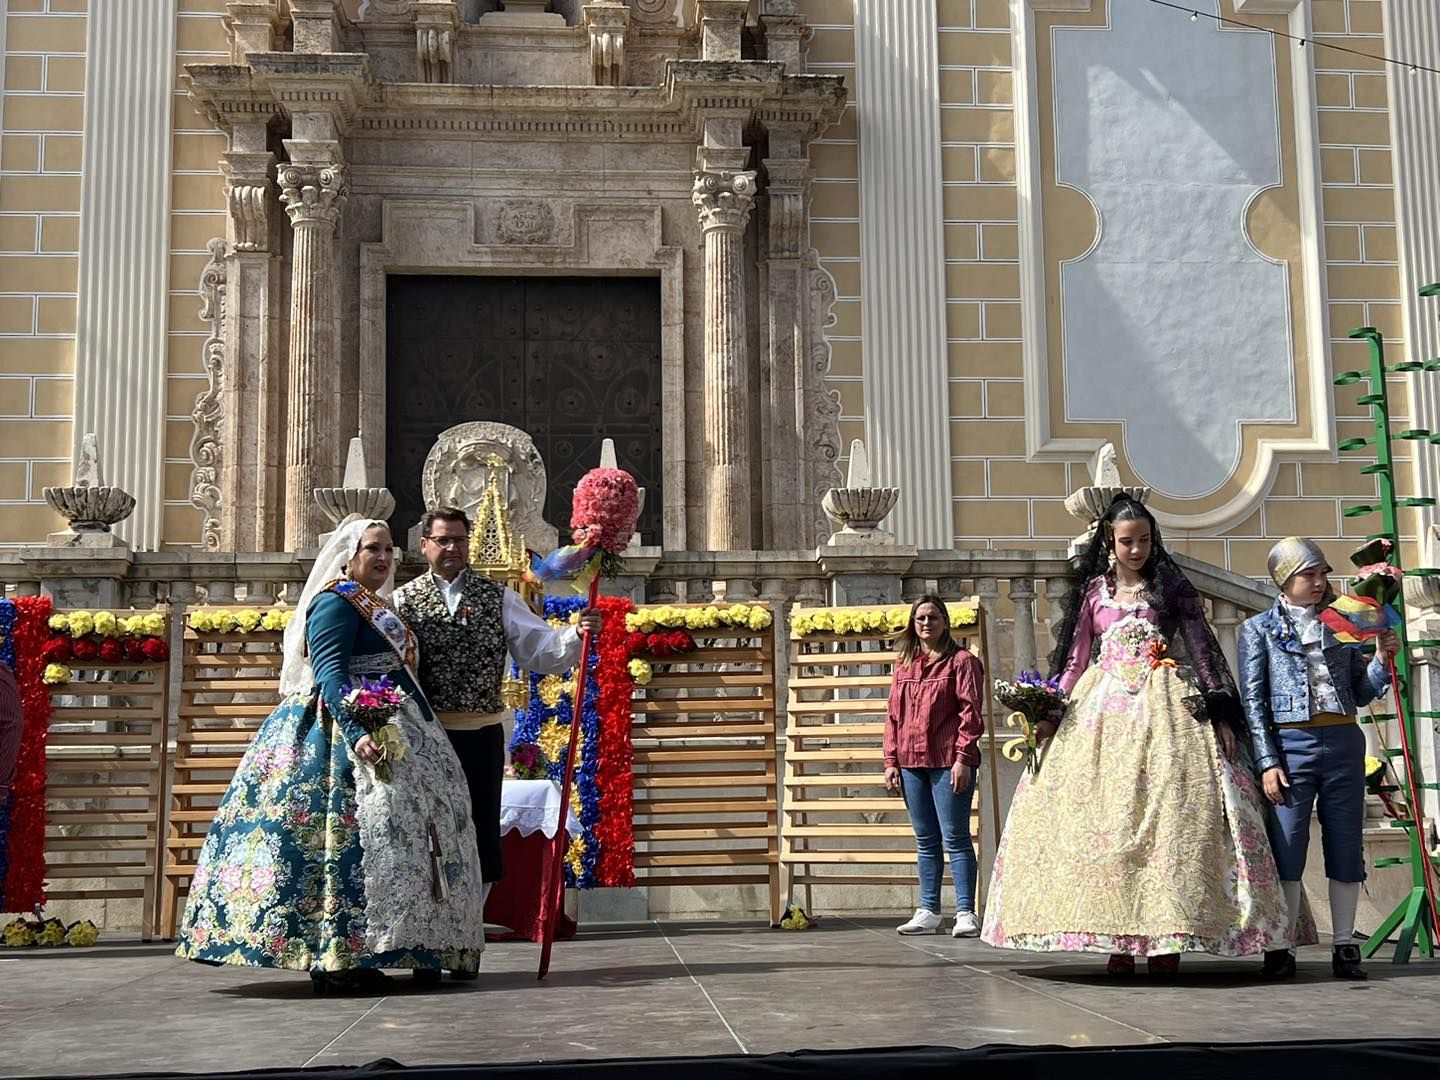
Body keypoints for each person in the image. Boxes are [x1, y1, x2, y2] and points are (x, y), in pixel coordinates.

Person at [981, 495, 1303, 975]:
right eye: (1127, 542)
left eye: (1145, 541)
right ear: (1110, 542)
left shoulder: (1172, 589)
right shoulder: (1094, 593)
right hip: (1099, 712)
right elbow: (1073, 661)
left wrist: (1219, 713)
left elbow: (1203, 651)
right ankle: (1119, 940)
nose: (1137, 550)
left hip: (1166, 707)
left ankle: (1166, 939)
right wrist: (1048, 714)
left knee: (1173, 821)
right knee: (1104, 820)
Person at [175, 518, 487, 992]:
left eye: (388, 550)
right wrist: (357, 732)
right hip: (339, 735)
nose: (382, 559)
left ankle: (423, 943)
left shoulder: (377, 607)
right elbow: (330, 674)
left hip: (399, 729)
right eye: (372, 550)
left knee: (412, 837)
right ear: (349, 554)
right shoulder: (334, 603)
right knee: (345, 841)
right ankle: (338, 957)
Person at [394, 507, 600, 902]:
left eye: (459, 539)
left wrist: (575, 633)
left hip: (481, 734)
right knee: (426, 828)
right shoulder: (402, 601)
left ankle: (468, 934)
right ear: (424, 545)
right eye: (443, 540)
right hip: (426, 737)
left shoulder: (498, 598)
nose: (452, 547)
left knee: (480, 829)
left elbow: (539, 648)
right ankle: (427, 933)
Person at [1239, 537, 1398, 981]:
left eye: (1322, 573)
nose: (1319, 582)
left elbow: (1361, 692)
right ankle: (1282, 945)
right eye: (1309, 574)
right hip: (1291, 747)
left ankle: (1346, 944)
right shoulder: (1259, 630)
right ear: (1284, 580)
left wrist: (1383, 660)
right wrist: (1267, 761)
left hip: (1345, 740)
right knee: (1288, 845)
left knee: (1345, 842)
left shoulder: (1342, 623)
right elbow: (1254, 701)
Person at [883, 594, 985, 937]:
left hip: (947, 761)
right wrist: (890, 760)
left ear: (946, 622)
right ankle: (927, 909)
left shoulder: (962, 662)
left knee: (955, 837)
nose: (927, 624)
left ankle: (965, 912)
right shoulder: (904, 665)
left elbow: (971, 714)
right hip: (911, 763)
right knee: (926, 840)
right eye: (920, 618)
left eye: (933, 618)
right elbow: (894, 718)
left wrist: (963, 759)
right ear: (914, 624)